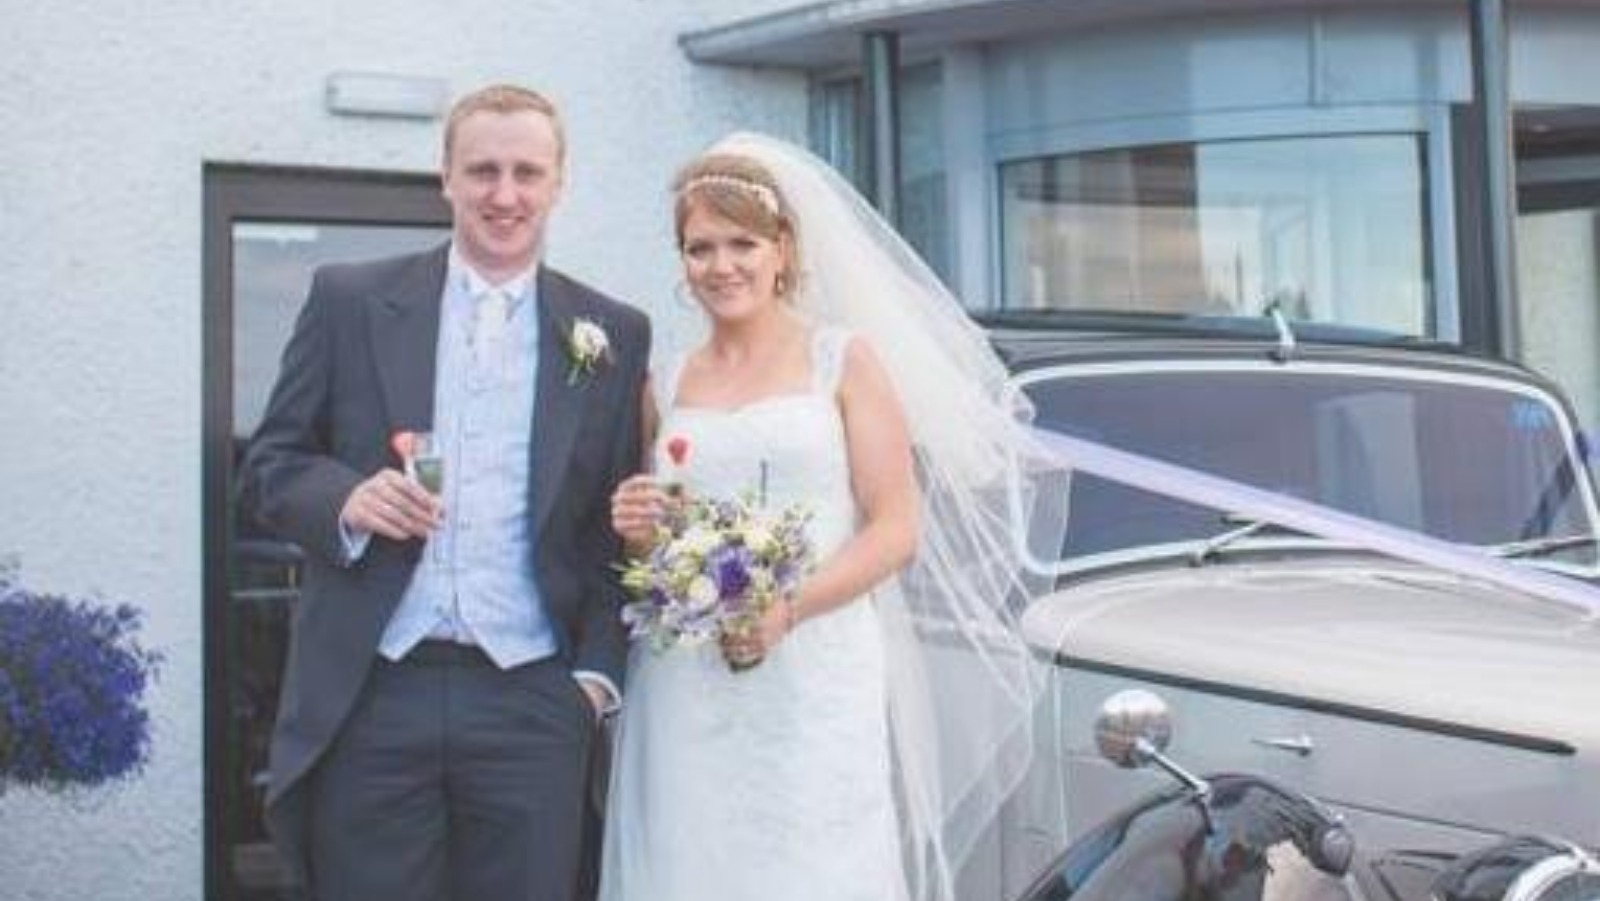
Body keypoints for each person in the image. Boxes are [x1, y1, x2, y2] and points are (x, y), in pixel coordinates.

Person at [600, 135, 1069, 901]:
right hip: (688, 679)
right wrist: (638, 527)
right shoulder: (668, 379)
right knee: (693, 856)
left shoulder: (842, 360)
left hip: (814, 664)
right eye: (700, 247)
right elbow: (655, 542)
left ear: (783, 248)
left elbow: (895, 527)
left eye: (742, 243)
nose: (722, 265)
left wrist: (786, 609)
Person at [239, 84, 650, 901]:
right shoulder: (349, 299)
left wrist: (594, 682)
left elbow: (611, 530)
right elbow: (269, 465)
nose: (505, 193)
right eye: (484, 170)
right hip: (376, 687)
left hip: (533, 696)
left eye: (527, 172)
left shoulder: (612, 332)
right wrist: (346, 500)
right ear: (446, 177)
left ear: (559, 182)